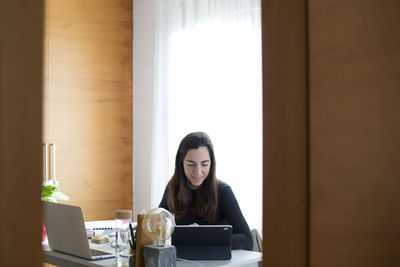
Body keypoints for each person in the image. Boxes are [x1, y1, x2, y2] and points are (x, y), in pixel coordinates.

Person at [159, 131, 253, 250]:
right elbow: (156, 227)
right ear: (180, 163)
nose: (198, 171)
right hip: (185, 260)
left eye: (204, 164)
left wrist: (203, 236)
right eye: (191, 164)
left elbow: (247, 240)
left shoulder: (223, 191)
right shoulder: (172, 187)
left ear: (211, 164)